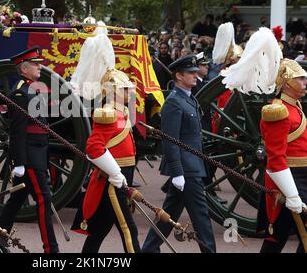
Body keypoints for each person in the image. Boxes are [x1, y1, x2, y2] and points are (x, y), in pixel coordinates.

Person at [221, 27, 307, 253]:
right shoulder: (277, 111)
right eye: (300, 78)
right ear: (287, 83)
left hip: (299, 179)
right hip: (288, 181)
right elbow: (277, 158)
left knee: (277, 238)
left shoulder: (293, 107)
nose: (305, 81)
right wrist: (292, 194)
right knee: (277, 238)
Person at [70, 32, 140, 253]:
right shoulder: (106, 113)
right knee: (129, 230)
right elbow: (93, 149)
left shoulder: (122, 112)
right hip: (113, 179)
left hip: (121, 175)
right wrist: (116, 173)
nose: (129, 92)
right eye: (125, 89)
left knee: (100, 229)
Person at [141, 55, 216, 253]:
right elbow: (170, 140)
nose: (195, 75)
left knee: (167, 216)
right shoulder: (174, 102)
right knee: (201, 218)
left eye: (195, 71)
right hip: (186, 169)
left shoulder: (188, 98)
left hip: (192, 166)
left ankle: (148, 250)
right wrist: (177, 172)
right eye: (190, 72)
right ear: (179, 76)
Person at [0, 47, 59, 253]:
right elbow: (18, 131)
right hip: (29, 155)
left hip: (38, 150)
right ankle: (51, 250)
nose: (40, 66)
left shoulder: (34, 88)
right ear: (25, 68)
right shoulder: (20, 92)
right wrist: (19, 162)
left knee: (17, 199)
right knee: (43, 200)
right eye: (36, 64)